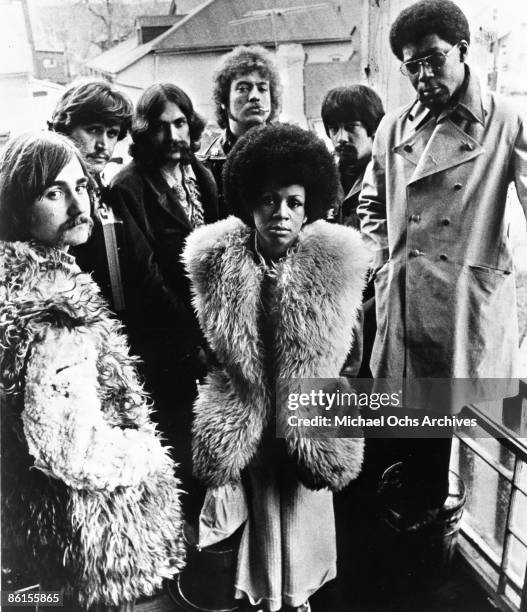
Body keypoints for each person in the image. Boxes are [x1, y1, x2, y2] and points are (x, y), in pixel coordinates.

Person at [183, 124, 369, 612]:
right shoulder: (221, 264)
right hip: (251, 416)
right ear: (250, 204)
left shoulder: (334, 268)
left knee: (302, 515)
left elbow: (350, 350)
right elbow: (209, 344)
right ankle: (267, 596)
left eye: (294, 202)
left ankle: (300, 596)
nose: (280, 214)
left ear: (310, 208)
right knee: (263, 521)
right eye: (268, 201)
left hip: (307, 415)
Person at [0, 131, 185, 609]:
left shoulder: (20, 283)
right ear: (18, 206)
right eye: (54, 193)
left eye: (80, 186)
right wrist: (148, 454)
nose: (79, 205)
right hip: (82, 534)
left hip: (36, 529)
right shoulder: (54, 313)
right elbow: (71, 450)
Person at [357, 0, 527, 512]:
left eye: (434, 60)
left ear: (463, 50)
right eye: (412, 66)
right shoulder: (392, 127)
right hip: (405, 298)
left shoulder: (505, 121)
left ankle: (431, 523)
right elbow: (371, 203)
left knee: (455, 427)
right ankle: (413, 522)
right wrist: (384, 261)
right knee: (408, 421)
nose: (424, 76)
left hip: (463, 301)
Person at [108, 83, 218, 516]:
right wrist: (194, 332)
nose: (174, 135)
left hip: (212, 333)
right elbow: (144, 274)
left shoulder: (204, 177)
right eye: (160, 127)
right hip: (166, 340)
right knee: (175, 442)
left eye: (180, 124)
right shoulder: (128, 187)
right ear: (141, 133)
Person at [49, 80, 133, 310]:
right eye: (93, 130)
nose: (102, 144)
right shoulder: (46, 197)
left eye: (112, 133)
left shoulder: (107, 191)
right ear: (63, 129)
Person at [199, 45, 282, 217]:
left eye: (262, 88)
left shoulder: (292, 152)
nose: (254, 96)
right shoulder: (207, 164)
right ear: (223, 99)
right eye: (243, 88)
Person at [321, 85, 384, 229]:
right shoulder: (325, 179)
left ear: (373, 127)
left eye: (351, 127)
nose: (341, 138)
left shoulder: (387, 178)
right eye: (334, 129)